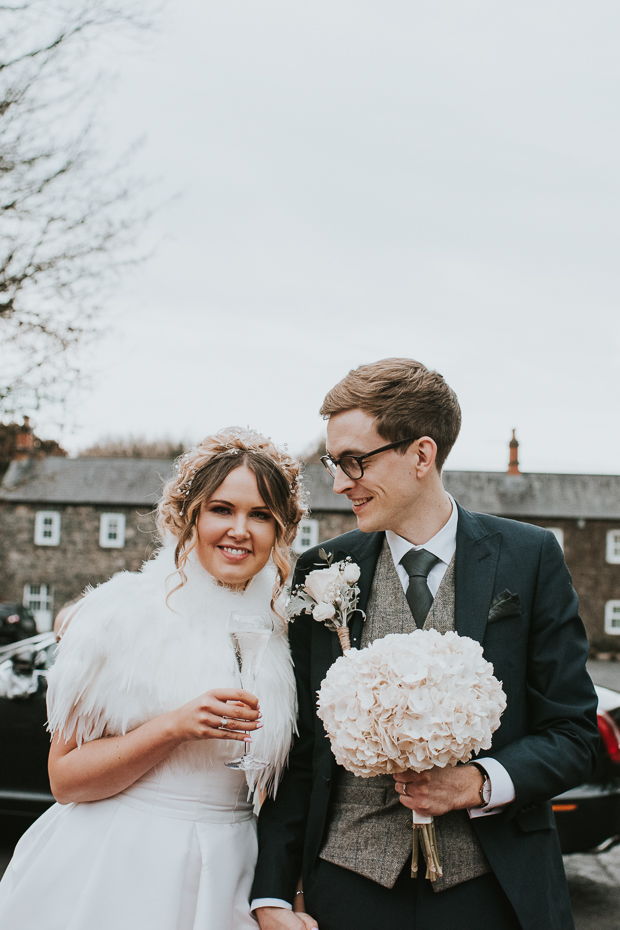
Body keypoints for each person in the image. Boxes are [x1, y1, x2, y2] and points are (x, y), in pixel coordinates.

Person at [251, 359, 599, 930]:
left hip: (493, 885)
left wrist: (479, 781)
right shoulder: (322, 571)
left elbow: (574, 735)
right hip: (347, 882)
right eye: (333, 463)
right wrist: (271, 894)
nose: (339, 483)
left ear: (421, 454)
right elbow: (302, 751)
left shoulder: (529, 557)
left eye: (355, 462)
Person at [0, 427, 306, 930]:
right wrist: (173, 727)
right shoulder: (121, 617)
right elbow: (65, 779)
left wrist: (283, 891)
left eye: (261, 515)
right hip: (123, 861)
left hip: (234, 868)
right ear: (189, 516)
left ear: (281, 530)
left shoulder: (287, 629)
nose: (240, 529)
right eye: (221, 509)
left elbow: (287, 791)